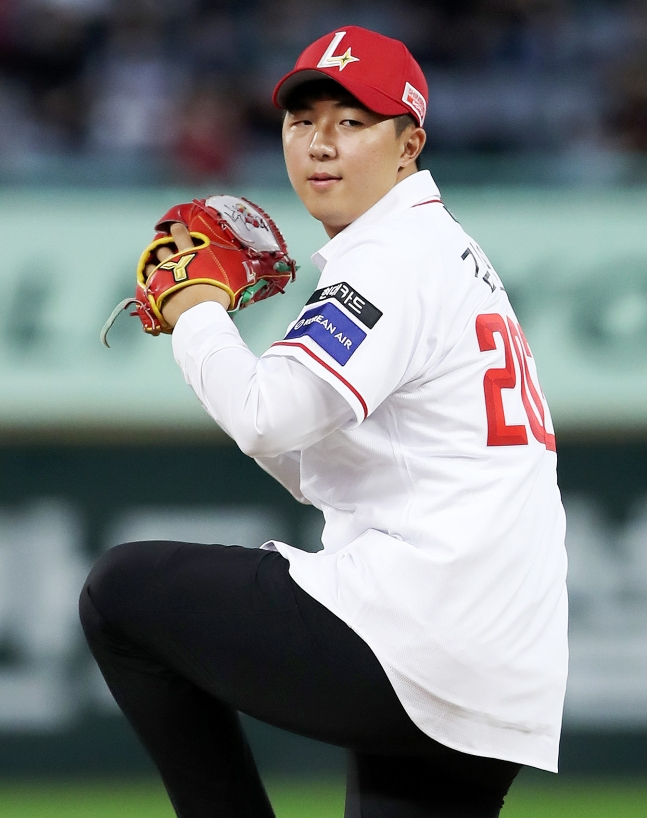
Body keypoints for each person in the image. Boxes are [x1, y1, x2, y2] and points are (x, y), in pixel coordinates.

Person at [79, 26, 568, 818]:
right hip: (501, 670)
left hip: (422, 632)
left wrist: (196, 309)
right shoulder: (438, 250)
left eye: (352, 121)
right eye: (301, 120)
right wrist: (208, 332)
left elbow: (264, 417)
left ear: (408, 146)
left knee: (122, 596)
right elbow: (318, 460)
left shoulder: (390, 256)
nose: (320, 143)